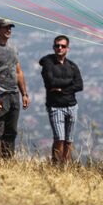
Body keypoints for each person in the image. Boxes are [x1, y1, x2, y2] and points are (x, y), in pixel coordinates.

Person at [0, 19, 30, 158]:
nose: (8, 30)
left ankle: (8, 161)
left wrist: (24, 94)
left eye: (10, 28)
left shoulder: (14, 49)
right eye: (5, 28)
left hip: (14, 94)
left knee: (11, 131)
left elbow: (18, 72)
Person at [39, 35, 84, 164]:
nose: (59, 48)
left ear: (67, 48)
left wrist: (63, 90)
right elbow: (51, 82)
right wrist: (70, 83)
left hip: (71, 106)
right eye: (57, 45)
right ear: (53, 47)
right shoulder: (48, 63)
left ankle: (66, 165)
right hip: (55, 106)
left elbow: (79, 85)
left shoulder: (72, 66)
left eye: (63, 46)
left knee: (69, 139)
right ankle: (55, 164)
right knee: (59, 138)